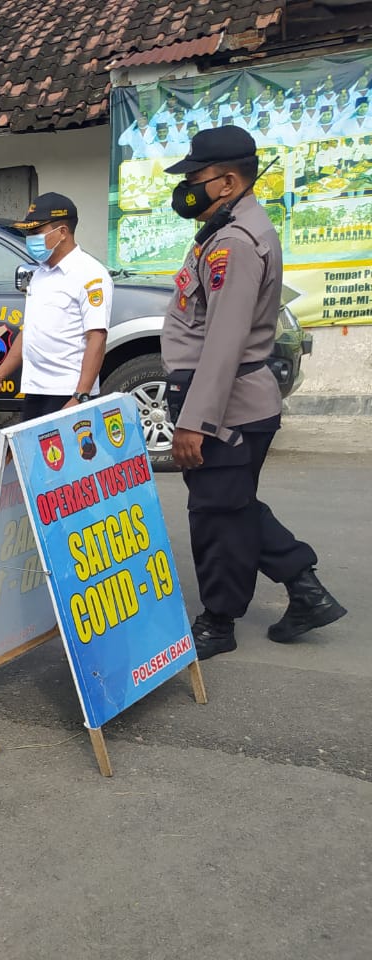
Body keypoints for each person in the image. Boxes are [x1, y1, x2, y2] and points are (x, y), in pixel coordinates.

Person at [161, 126, 345, 660]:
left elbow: (224, 339)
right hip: (230, 401)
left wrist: (196, 421)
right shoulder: (226, 228)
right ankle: (305, 589)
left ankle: (217, 623)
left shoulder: (235, 243)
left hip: (226, 405)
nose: (187, 188)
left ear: (228, 181)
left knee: (216, 515)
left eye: (195, 178)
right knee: (231, 503)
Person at [0, 193, 113, 421]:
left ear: (62, 232)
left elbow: (96, 337)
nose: (30, 239)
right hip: (36, 389)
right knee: (29, 454)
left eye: (36, 232)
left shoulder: (90, 275)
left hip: (67, 393)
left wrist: (80, 396)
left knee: (66, 456)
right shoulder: (40, 274)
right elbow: (29, 331)